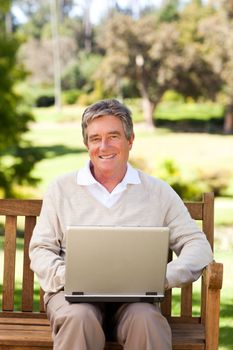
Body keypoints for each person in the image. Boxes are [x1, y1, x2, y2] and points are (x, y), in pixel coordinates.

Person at [29, 98, 213, 350]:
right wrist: (69, 276)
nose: (104, 146)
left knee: (147, 321)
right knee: (79, 318)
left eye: (113, 136)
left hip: (135, 300)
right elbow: (40, 249)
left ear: (130, 140)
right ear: (87, 144)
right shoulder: (61, 189)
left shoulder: (157, 192)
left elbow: (198, 246)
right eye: (95, 138)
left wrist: (162, 278)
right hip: (73, 299)